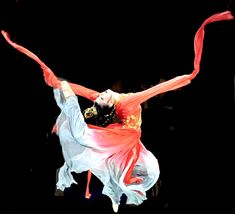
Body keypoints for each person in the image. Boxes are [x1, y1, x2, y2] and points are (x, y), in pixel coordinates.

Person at [1, 10, 234, 213]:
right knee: (97, 147)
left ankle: (118, 188)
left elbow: (85, 91)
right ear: (109, 106)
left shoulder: (108, 99)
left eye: (100, 95)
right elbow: (154, 89)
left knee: (103, 155)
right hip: (127, 137)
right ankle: (120, 187)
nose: (100, 93)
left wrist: (57, 82)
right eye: (102, 96)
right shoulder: (127, 101)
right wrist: (187, 77)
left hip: (126, 139)